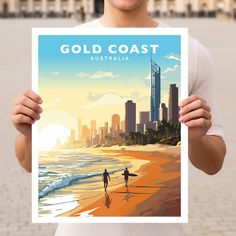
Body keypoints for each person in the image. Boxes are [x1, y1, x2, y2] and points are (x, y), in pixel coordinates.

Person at [12, 0, 226, 235]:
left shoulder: (191, 51)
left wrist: (196, 139)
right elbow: (28, 163)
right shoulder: (60, 47)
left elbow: (213, 164)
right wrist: (30, 135)